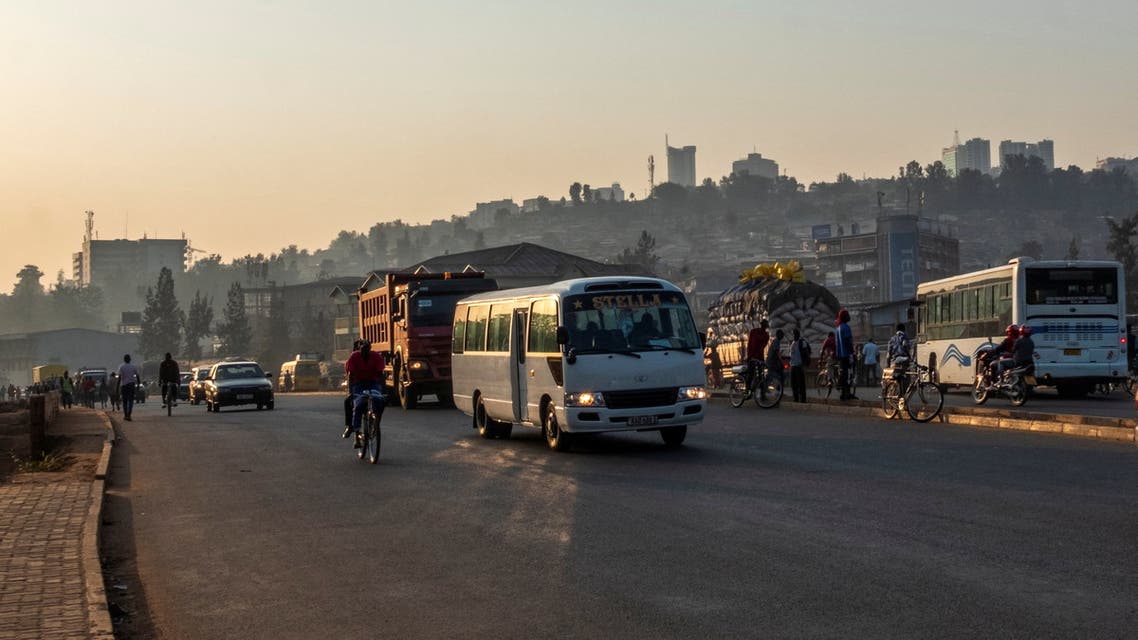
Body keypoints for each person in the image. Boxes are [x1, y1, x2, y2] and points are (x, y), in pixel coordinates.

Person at [343, 340, 386, 447]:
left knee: (379, 401)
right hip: (359, 384)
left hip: (373, 383)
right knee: (358, 405)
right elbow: (351, 375)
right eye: (362, 350)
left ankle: (376, 423)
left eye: (367, 349)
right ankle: (355, 432)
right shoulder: (354, 357)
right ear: (359, 349)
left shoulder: (376, 357)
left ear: (370, 349)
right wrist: (350, 391)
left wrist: (382, 391)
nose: (364, 352)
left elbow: (380, 375)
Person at [836, 309, 856, 400]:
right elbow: (848, 341)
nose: (849, 317)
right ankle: (846, 394)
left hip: (840, 355)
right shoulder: (846, 327)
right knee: (849, 375)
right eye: (848, 315)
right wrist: (852, 352)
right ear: (845, 317)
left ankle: (844, 393)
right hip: (847, 354)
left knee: (844, 374)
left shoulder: (838, 328)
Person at [745, 319, 770, 385]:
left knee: (760, 375)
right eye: (763, 325)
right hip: (752, 356)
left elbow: (762, 347)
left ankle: (760, 390)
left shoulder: (766, 336)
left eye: (765, 325)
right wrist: (749, 356)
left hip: (758, 357)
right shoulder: (753, 332)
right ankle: (748, 390)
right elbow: (749, 344)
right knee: (751, 373)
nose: (764, 326)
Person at [117, 355, 141, 421]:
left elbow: (119, 378)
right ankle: (129, 415)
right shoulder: (133, 366)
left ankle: (126, 415)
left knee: (124, 401)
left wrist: (117, 388)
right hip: (131, 385)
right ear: (130, 359)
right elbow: (138, 376)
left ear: (124, 360)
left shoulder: (121, 367)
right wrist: (138, 385)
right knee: (130, 400)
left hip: (124, 386)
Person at [789, 328, 809, 403]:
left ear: (798, 334)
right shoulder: (793, 343)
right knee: (793, 384)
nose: (794, 335)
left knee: (801, 383)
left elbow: (805, 353)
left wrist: (804, 364)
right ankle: (795, 398)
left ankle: (803, 399)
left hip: (799, 366)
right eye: (793, 334)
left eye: (795, 334)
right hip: (793, 366)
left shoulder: (802, 342)